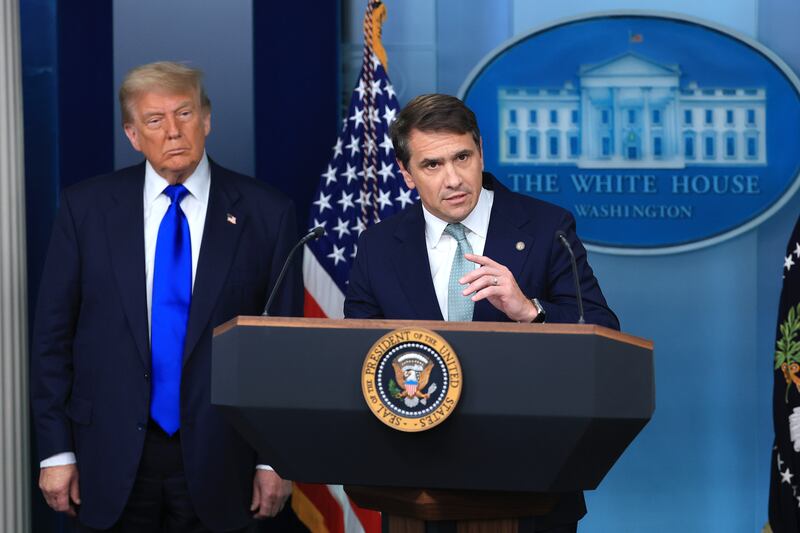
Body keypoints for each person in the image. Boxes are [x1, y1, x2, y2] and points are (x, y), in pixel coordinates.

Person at [31, 61, 303, 532]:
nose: (174, 131)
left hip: (224, 459)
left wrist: (272, 461)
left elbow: (284, 353)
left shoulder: (267, 214)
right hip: (109, 455)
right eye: (155, 121)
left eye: (185, 113)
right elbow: (53, 340)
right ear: (133, 135)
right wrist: (56, 450)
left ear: (207, 120)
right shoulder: (85, 209)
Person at [344, 94, 620, 532]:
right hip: (414, 488)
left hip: (530, 484)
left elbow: (603, 331)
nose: (452, 178)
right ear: (406, 174)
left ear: (480, 153)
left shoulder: (547, 228)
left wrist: (530, 311)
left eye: (462, 157)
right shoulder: (379, 246)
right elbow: (354, 352)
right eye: (432, 165)